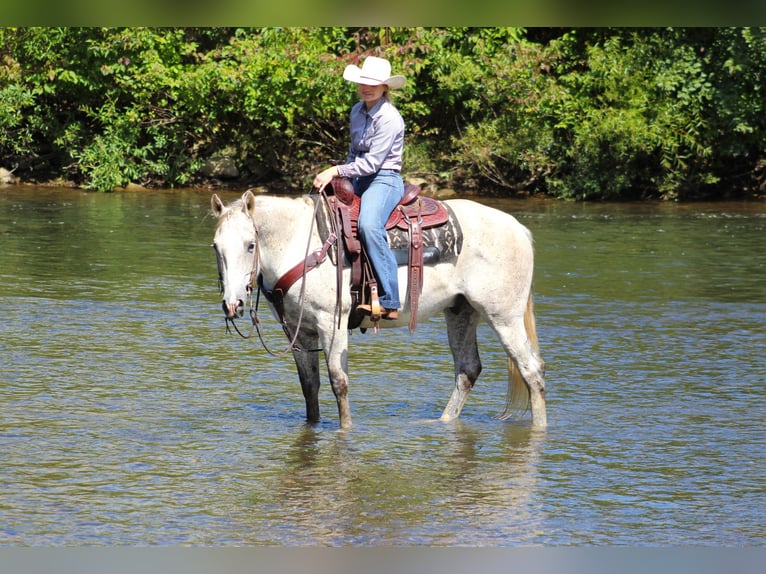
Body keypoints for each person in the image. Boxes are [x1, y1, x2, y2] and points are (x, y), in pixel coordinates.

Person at [313, 56, 406, 320]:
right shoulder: (356, 110)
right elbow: (355, 153)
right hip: (358, 175)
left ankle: (390, 300)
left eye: (374, 84)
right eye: (364, 83)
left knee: (368, 225)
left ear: (385, 88)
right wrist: (338, 177)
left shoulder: (390, 118)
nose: (367, 88)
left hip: (384, 178)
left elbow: (374, 163)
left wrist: (335, 171)